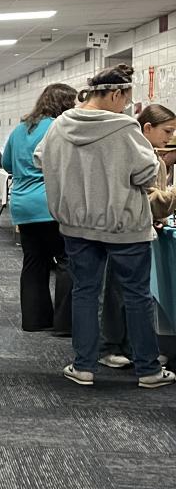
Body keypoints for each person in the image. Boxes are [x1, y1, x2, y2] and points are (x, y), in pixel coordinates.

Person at [34, 64, 174, 389]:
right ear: (114, 94)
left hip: (76, 224)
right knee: (137, 295)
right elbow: (146, 175)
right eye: (125, 99)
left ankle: (83, 366)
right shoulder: (125, 128)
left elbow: (41, 160)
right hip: (124, 224)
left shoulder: (59, 125)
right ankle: (148, 370)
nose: (125, 106)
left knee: (85, 292)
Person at [99, 103, 176, 370]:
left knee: (130, 293)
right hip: (123, 229)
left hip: (136, 228)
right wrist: (170, 198)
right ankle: (111, 346)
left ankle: (131, 347)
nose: (170, 138)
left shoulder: (152, 155)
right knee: (118, 292)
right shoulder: (137, 154)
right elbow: (147, 197)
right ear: (148, 127)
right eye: (167, 131)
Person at [1, 83, 77, 334]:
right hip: (51, 204)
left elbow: (7, 164)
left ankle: (35, 320)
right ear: (64, 104)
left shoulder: (20, 128)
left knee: (34, 261)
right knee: (66, 260)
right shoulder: (60, 127)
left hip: (23, 206)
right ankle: (65, 324)